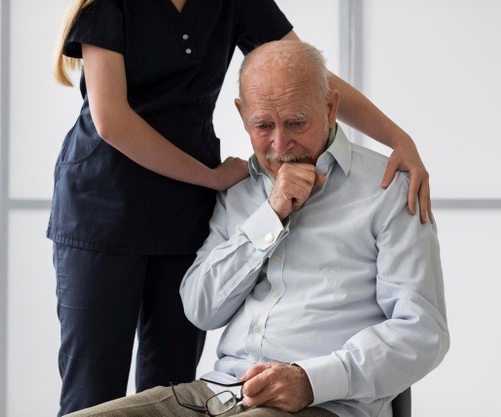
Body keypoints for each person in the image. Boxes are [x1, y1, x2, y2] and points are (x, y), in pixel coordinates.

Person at [48, 0, 434, 414]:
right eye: (264, 125)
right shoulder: (111, 7)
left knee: (168, 374)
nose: (281, 142)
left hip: (183, 210)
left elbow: (306, 79)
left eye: (296, 125)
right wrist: (214, 179)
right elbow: (112, 121)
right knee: (92, 389)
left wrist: (398, 138)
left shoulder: (235, 4)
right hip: (105, 206)